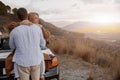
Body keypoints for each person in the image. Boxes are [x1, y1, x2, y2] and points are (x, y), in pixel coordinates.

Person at [9, 8, 46, 80]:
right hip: (36, 61)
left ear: (18, 17)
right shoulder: (37, 28)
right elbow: (43, 44)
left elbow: (12, 46)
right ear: (27, 15)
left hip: (22, 62)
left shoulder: (14, 31)